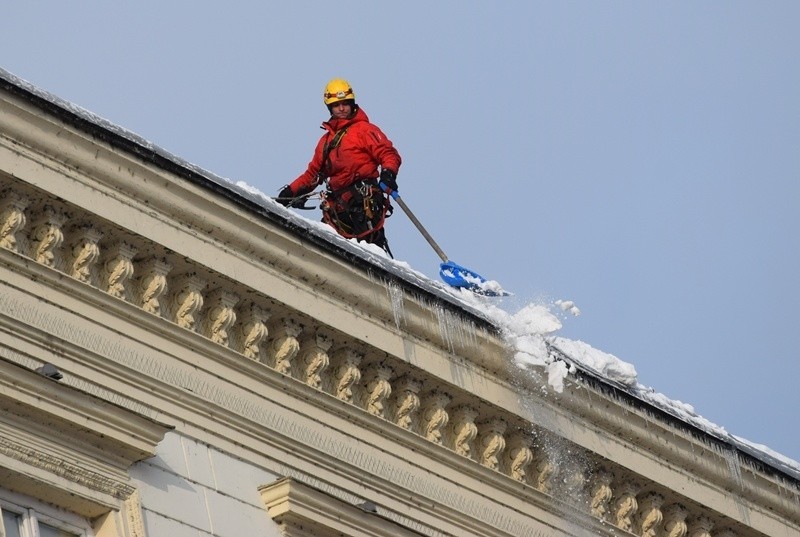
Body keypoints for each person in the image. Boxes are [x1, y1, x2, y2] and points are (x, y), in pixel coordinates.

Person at [277, 78, 401, 256]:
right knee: (323, 248)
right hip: (337, 208)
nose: (342, 108)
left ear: (352, 104)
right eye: (337, 105)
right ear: (330, 108)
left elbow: (388, 153)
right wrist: (290, 192)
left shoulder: (364, 130)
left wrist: (388, 174)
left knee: (369, 253)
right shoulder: (326, 142)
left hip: (363, 201)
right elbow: (313, 174)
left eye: (345, 104)